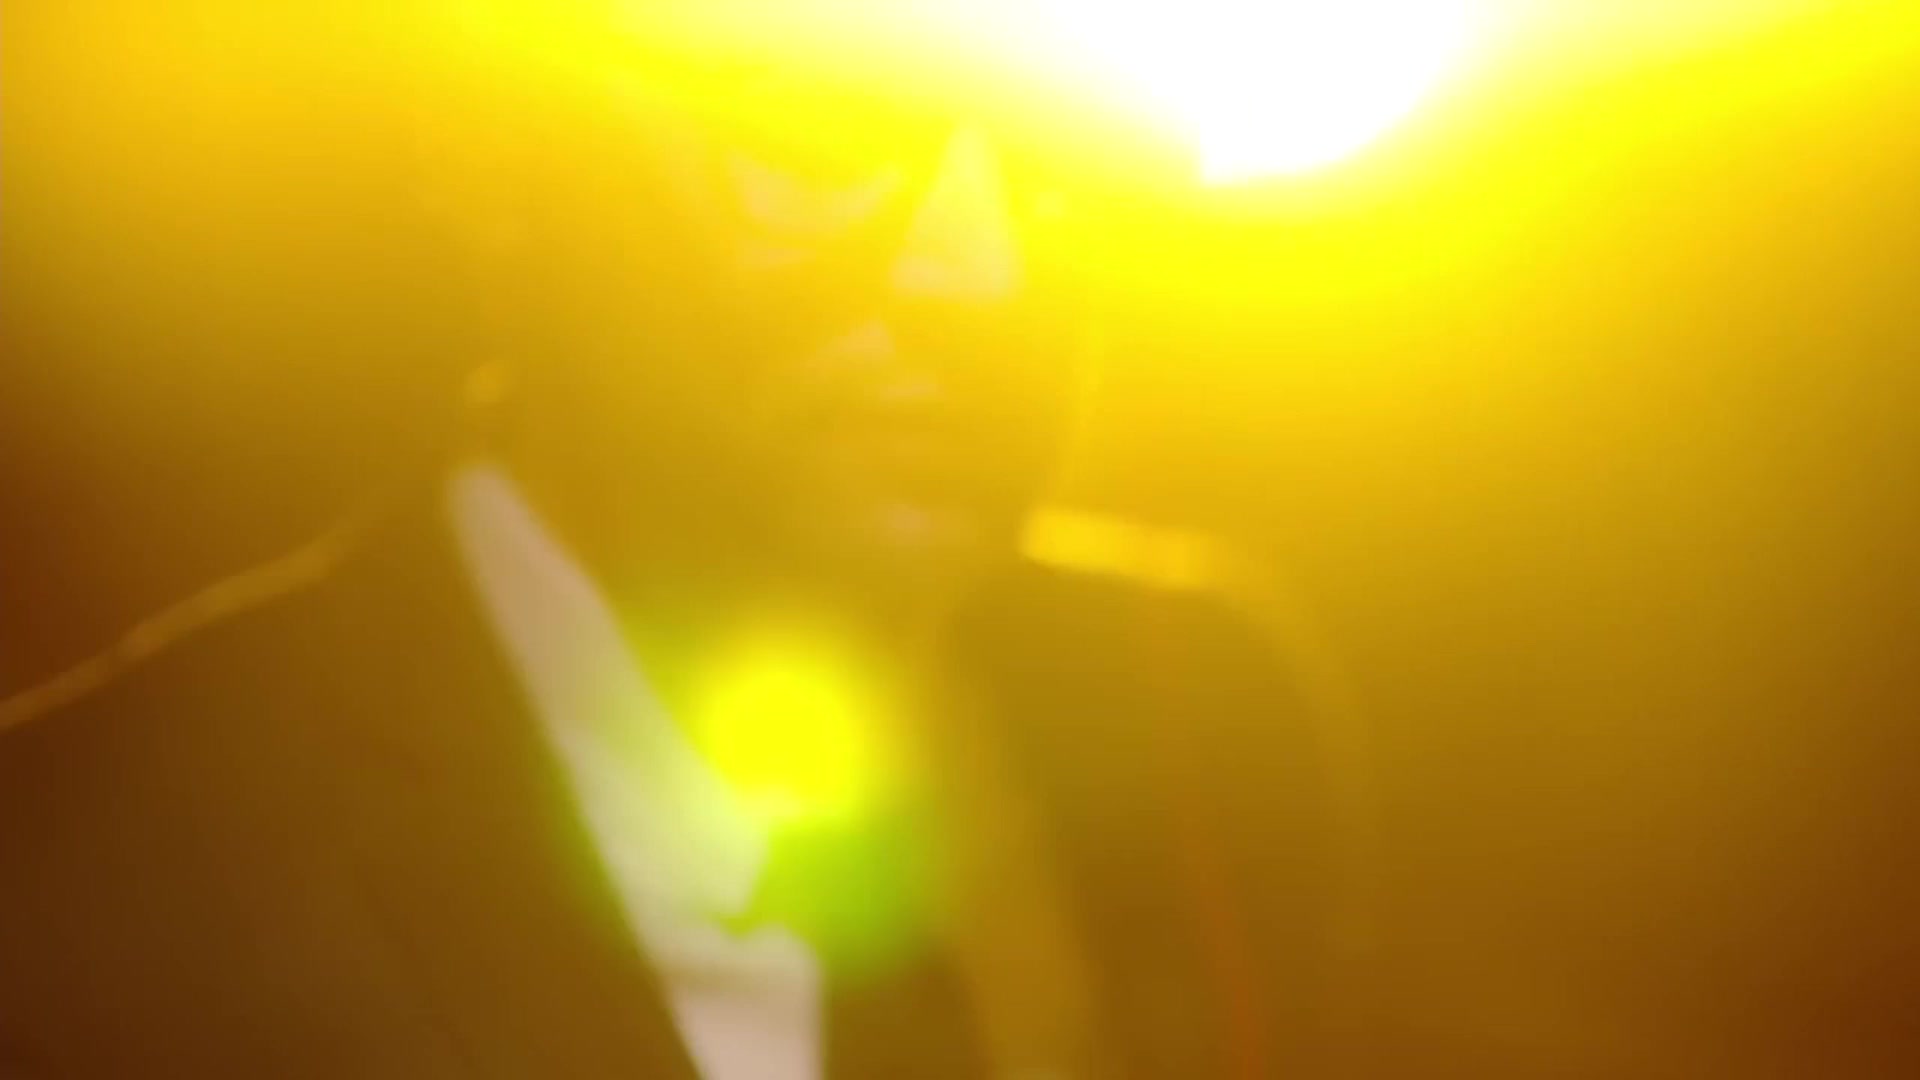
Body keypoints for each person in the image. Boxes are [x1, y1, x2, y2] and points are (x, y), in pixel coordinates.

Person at [0, 6, 1339, 1077]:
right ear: (496, 140)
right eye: (818, 127)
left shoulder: (1199, 719)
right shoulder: (77, 889)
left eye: (1077, 162)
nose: (985, 275)